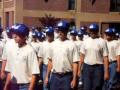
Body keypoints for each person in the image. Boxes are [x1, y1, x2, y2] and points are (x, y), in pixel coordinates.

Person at [44, 20, 79, 90]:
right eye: (59, 30)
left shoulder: (72, 45)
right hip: (54, 76)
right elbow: (50, 61)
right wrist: (47, 76)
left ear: (66, 31)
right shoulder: (53, 44)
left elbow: (75, 63)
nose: (60, 32)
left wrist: (74, 79)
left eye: (62, 30)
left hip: (67, 77)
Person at [4, 24, 40, 90]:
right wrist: (6, 86)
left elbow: (34, 73)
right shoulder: (12, 50)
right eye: (14, 34)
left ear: (25, 36)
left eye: (17, 34)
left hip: (25, 86)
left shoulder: (30, 51)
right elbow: (9, 71)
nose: (14, 36)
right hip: (13, 85)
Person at [78, 23, 109, 90]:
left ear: (97, 31)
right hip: (87, 67)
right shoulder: (85, 41)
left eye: (94, 30)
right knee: (86, 87)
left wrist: (106, 72)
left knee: (97, 87)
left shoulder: (102, 42)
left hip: (98, 68)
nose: (92, 32)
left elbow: (105, 58)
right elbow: (82, 56)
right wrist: (79, 70)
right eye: (91, 30)